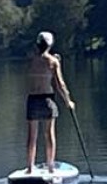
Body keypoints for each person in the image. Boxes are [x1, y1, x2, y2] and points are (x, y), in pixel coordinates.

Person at [26, 31, 75, 174]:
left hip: (33, 99)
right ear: (50, 44)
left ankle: (30, 168)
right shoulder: (53, 62)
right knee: (49, 134)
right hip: (47, 99)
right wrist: (68, 101)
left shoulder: (30, 59)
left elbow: (38, 60)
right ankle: (51, 167)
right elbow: (60, 84)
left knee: (32, 136)